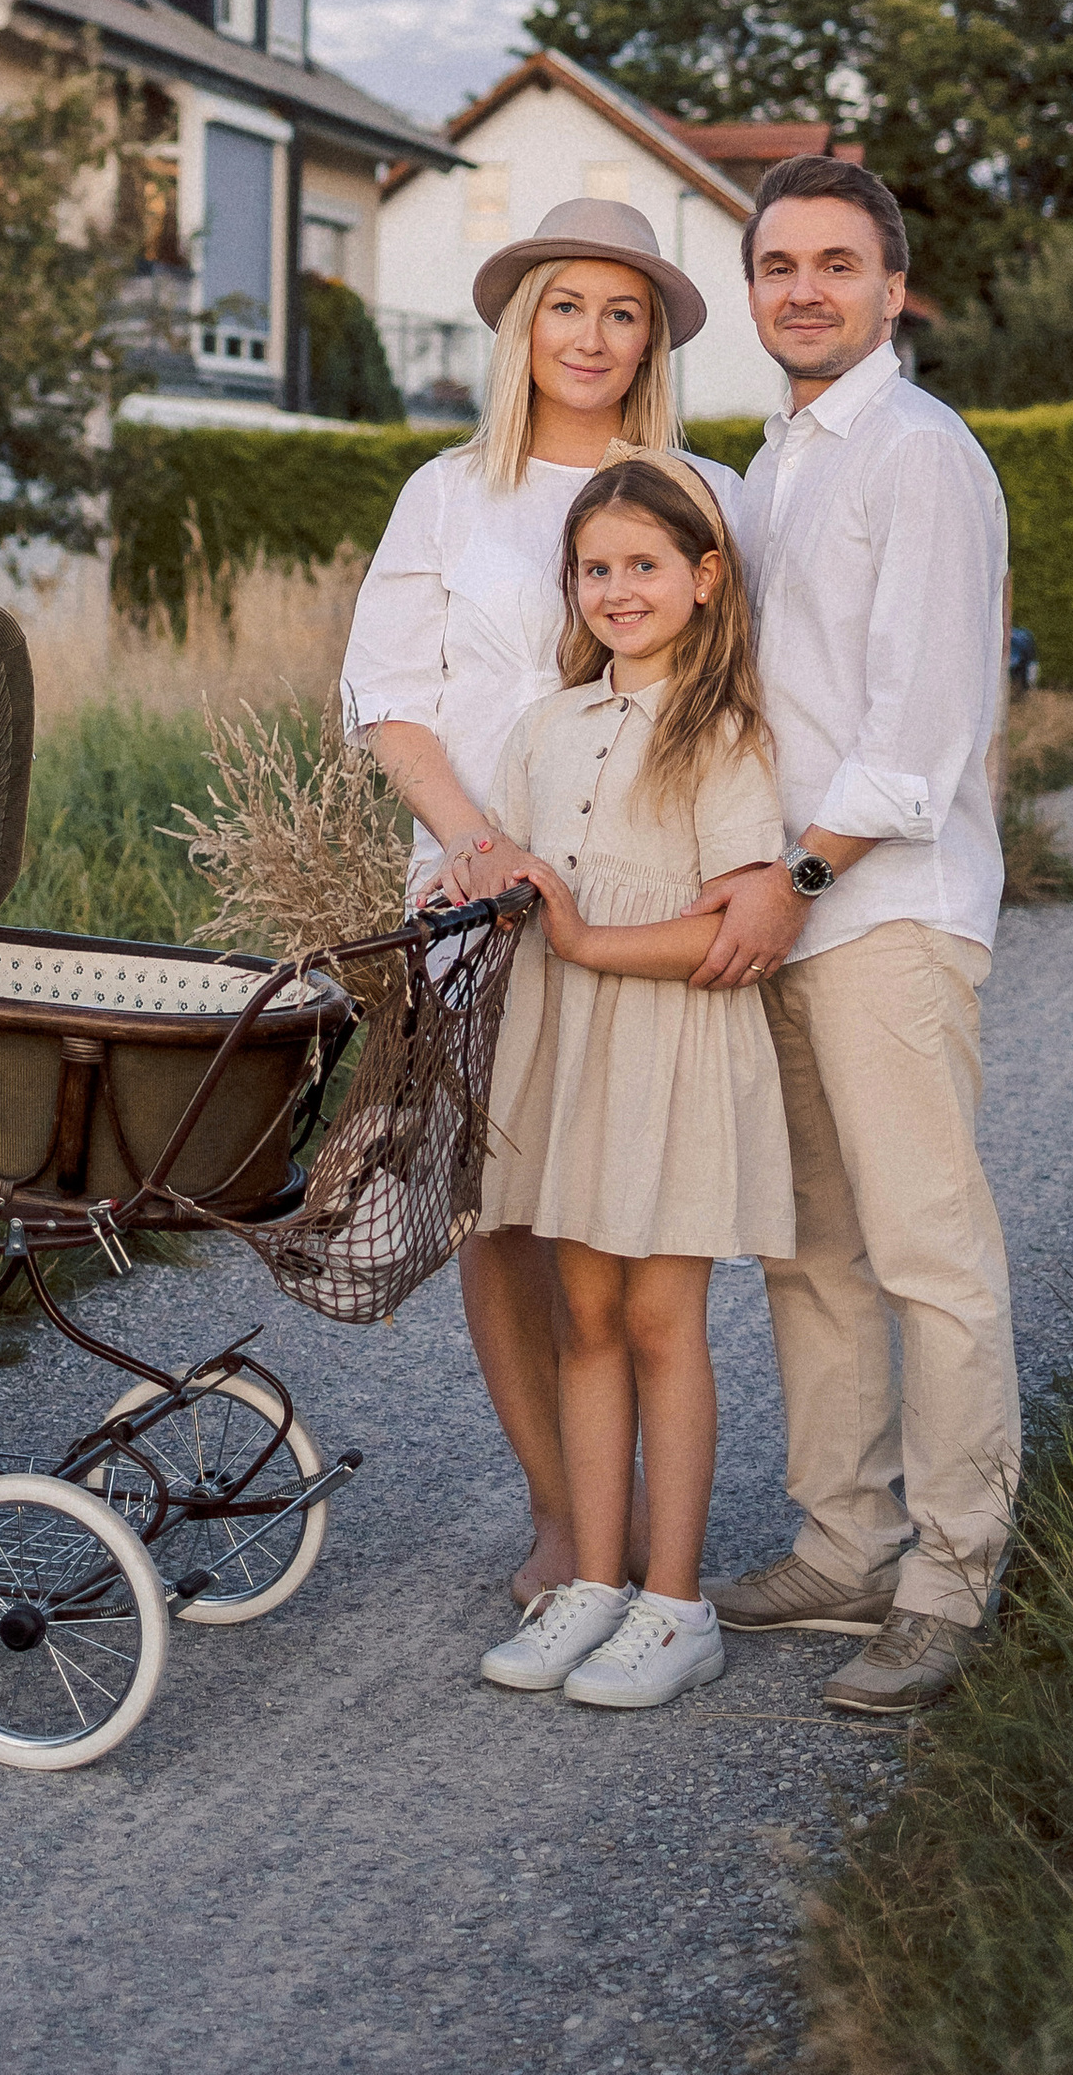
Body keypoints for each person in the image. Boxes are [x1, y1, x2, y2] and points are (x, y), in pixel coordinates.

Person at [339, 196, 745, 1607]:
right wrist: (477, 843)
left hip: (640, 891)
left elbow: (740, 694)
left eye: (622, 311)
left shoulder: (705, 492)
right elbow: (387, 702)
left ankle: (669, 1536)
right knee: (501, 1210)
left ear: (652, 342)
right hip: (474, 887)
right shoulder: (448, 493)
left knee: (623, 1211)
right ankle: (570, 1523)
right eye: (566, 305)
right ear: (524, 325)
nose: (592, 334)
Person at [691, 154, 1020, 1719]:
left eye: (836, 264)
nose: (804, 289)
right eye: (779, 266)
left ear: (895, 288)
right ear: (754, 292)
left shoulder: (918, 455)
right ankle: (844, 1544)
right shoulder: (777, 465)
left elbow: (923, 738)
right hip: (793, 914)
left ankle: (952, 1580)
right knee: (810, 1252)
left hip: (883, 913)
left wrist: (795, 879)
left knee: (929, 1255)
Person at [429, 456, 793, 1710]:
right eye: (596, 569)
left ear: (703, 580)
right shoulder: (551, 725)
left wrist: (586, 939)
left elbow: (726, 932)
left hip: (668, 1052)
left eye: (644, 566)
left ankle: (674, 1605)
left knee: (655, 1323)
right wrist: (477, 880)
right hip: (565, 1049)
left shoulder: (725, 732)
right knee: (579, 1318)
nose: (617, 589)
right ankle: (591, 1578)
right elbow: (520, 871)